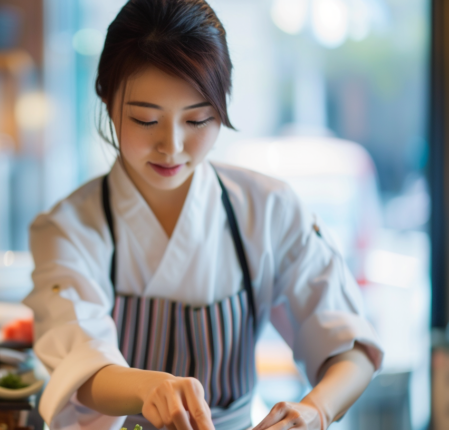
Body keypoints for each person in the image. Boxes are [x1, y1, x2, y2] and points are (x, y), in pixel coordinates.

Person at [23, 1, 383, 429]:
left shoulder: (269, 208)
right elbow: (77, 360)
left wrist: (316, 410)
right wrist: (146, 390)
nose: (171, 145)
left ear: (223, 103)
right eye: (145, 119)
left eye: (197, 120)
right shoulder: (68, 227)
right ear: (106, 96)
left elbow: (349, 346)